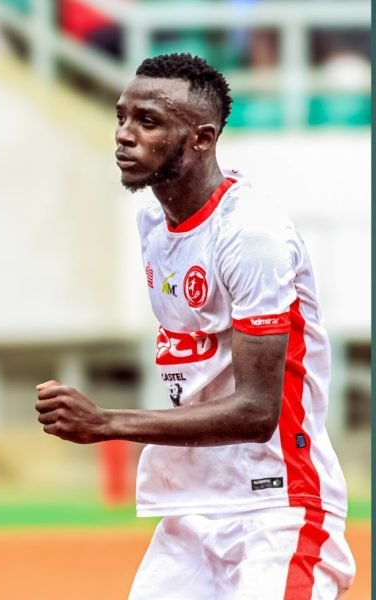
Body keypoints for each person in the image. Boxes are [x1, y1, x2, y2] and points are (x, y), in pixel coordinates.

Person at [35, 53, 353, 598]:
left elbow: (257, 411)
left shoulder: (250, 235)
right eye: (121, 117)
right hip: (193, 510)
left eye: (148, 122)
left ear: (202, 138)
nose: (124, 135)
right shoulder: (152, 223)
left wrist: (107, 422)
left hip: (278, 508)